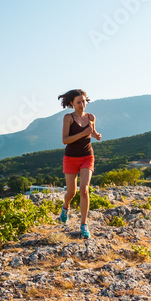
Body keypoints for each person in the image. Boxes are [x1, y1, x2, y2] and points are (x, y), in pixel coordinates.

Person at [57, 88, 101, 239]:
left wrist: (96, 135)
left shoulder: (91, 117)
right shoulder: (68, 118)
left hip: (87, 156)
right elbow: (65, 140)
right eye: (78, 102)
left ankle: (84, 224)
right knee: (71, 192)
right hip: (70, 158)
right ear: (72, 103)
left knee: (84, 189)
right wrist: (83, 133)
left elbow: (92, 131)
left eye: (84, 101)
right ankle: (65, 207)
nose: (82, 104)